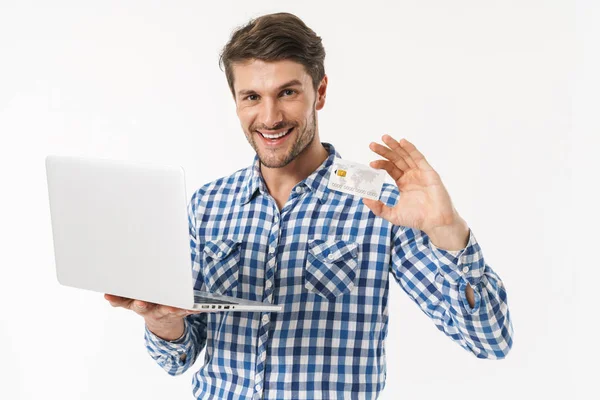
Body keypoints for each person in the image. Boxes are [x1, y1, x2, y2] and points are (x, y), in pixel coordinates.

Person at [105, 12, 513, 400]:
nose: (269, 117)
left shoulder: (381, 204)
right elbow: (180, 358)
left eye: (287, 92)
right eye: (252, 96)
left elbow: (491, 340)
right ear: (235, 100)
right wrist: (163, 323)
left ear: (319, 92)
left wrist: (448, 231)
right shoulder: (208, 204)